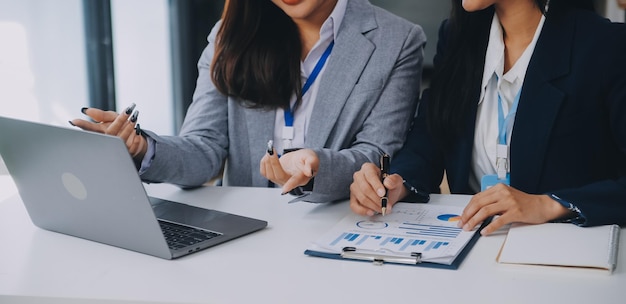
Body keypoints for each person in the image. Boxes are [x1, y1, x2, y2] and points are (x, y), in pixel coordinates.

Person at [70, 0, 426, 203]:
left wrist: (318, 164)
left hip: (333, 228)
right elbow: (203, 149)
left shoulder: (399, 40)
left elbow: (377, 154)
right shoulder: (231, 34)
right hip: (242, 238)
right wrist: (141, 147)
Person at [349, 0, 626, 234]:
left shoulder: (605, 45)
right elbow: (428, 141)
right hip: (469, 249)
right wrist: (396, 184)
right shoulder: (457, 36)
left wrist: (550, 204)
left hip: (558, 256)